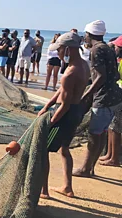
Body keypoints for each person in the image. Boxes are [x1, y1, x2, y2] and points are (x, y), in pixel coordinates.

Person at [38, 32, 90, 199]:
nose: (57, 53)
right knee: (64, 149)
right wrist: (47, 106)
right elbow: (62, 91)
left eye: (59, 50)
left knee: (43, 149)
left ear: (68, 49)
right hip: (76, 112)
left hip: (66, 114)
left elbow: (65, 104)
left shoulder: (69, 73)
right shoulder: (83, 65)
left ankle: (43, 190)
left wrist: (51, 122)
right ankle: (67, 187)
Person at [73, 20, 122, 177]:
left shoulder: (96, 50)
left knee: (94, 134)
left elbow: (100, 76)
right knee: (101, 132)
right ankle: (91, 167)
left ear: (89, 35)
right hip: (114, 96)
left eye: (85, 35)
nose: (85, 38)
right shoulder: (108, 48)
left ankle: (86, 168)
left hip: (104, 97)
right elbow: (115, 74)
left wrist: (86, 95)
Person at [98, 36, 122, 167]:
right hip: (117, 96)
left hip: (120, 96)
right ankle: (109, 154)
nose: (115, 49)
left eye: (117, 47)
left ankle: (114, 158)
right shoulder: (119, 60)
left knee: (116, 127)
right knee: (112, 126)